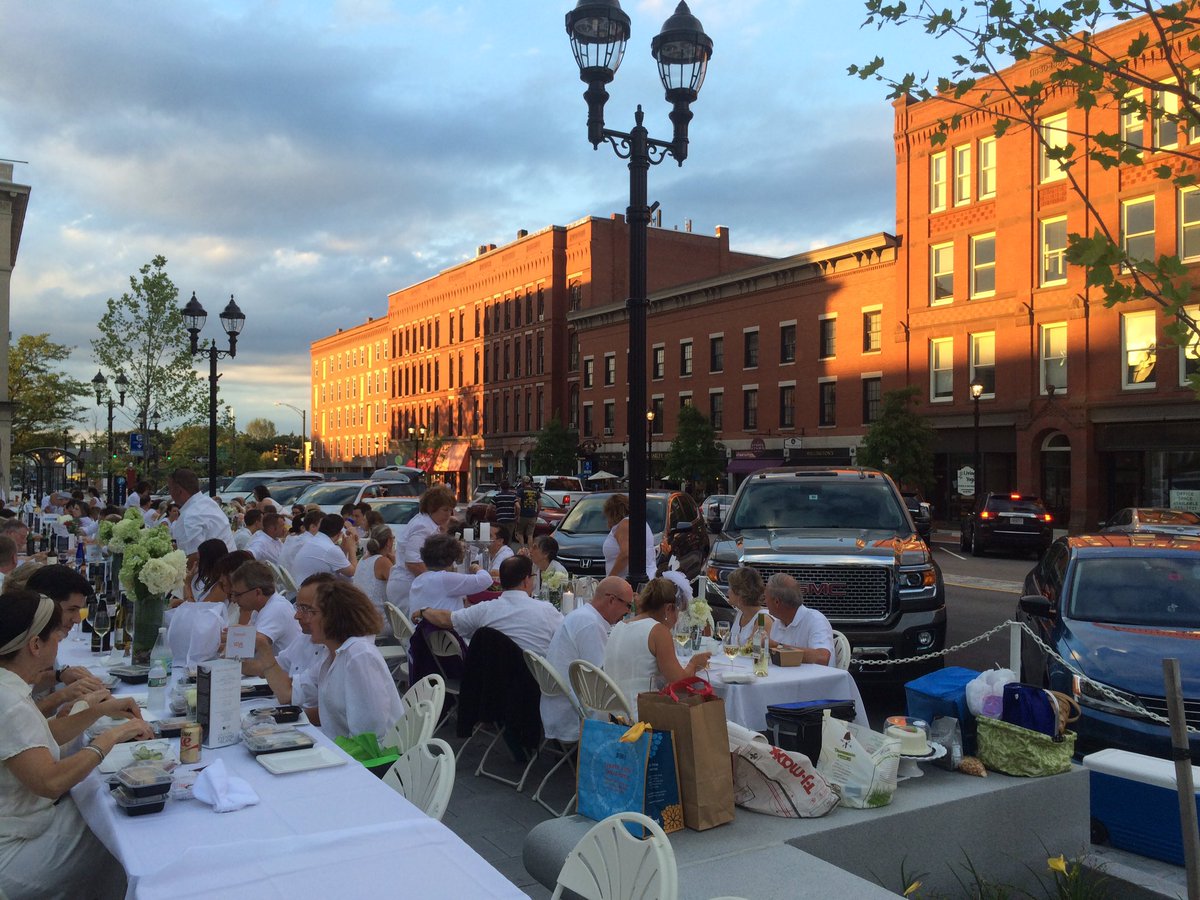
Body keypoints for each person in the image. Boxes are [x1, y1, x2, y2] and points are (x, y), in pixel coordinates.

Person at [0, 590, 153, 900]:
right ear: (35, 645)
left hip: (20, 828)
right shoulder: (9, 701)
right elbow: (50, 782)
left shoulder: (9, 686)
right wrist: (110, 738)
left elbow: (38, 737)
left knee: (101, 800)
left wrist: (98, 710)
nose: (60, 642)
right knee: (121, 823)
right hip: (12, 852)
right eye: (57, 637)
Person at [296, 580, 402, 740]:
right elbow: (299, 693)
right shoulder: (331, 653)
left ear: (333, 618)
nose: (305, 619)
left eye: (312, 613)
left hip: (369, 754)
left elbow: (369, 735)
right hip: (343, 747)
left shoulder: (359, 655)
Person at [541, 576, 633, 742]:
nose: (628, 611)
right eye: (628, 605)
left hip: (558, 708)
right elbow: (602, 679)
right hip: (574, 717)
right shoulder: (590, 624)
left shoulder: (583, 616)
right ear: (612, 600)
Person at [603, 577, 711, 717]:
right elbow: (679, 683)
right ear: (668, 608)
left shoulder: (620, 626)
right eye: (677, 611)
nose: (677, 618)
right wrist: (694, 664)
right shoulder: (658, 631)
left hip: (612, 712)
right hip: (640, 714)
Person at [416, 556, 562, 655]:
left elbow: (445, 619)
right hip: (533, 685)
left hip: (491, 684)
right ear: (526, 581)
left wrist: (424, 611)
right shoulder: (547, 611)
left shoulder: (484, 610)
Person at [25, 566, 109, 713]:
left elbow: (29, 682)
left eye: (79, 610)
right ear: (45, 605)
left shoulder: (44, 639)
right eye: (71, 610)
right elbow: (16, 718)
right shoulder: (17, 644)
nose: (77, 619)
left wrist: (60, 675)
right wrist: (62, 695)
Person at [243, 574, 334, 708]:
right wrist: (232, 664)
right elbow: (273, 672)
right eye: (298, 607)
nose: (296, 616)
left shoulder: (352, 653)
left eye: (305, 609)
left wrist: (262, 646)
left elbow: (327, 713)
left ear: (330, 611)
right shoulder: (306, 638)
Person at [386, 484, 456, 613]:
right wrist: (436, 584)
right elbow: (413, 563)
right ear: (432, 508)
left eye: (450, 510)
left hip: (409, 584)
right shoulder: (422, 527)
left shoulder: (427, 523)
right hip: (407, 586)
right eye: (445, 510)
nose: (449, 514)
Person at [228, 561, 302, 660]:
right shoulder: (260, 609)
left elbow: (251, 648)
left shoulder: (276, 609)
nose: (234, 599)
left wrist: (228, 638)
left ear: (258, 592)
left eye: (238, 594)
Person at [409, 532, 493, 614]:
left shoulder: (419, 579)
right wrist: (477, 568)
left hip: (419, 622)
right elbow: (486, 580)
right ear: (451, 558)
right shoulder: (444, 579)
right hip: (438, 623)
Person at [763, 573, 834, 665]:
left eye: (766, 598)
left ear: (777, 602)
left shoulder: (815, 620)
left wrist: (776, 646)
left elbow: (822, 658)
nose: (764, 601)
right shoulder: (778, 623)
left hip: (816, 675)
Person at [168, 468, 236, 561]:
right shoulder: (208, 502)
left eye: (170, 489)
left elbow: (193, 559)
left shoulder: (188, 517)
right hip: (229, 563)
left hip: (214, 568)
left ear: (179, 491)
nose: (170, 493)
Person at [602, 493, 657, 584]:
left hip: (628, 583)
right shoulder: (637, 523)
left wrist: (609, 579)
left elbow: (626, 554)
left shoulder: (625, 524)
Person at [351, 525, 397, 634]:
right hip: (378, 623)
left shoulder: (363, 558)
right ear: (389, 542)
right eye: (393, 538)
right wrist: (396, 562)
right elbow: (399, 588)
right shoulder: (382, 561)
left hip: (361, 620)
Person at [291, 514, 358, 585]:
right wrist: (352, 548)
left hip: (303, 586)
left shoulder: (315, 540)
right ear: (339, 534)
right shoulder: (330, 548)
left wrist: (344, 549)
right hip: (312, 589)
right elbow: (352, 572)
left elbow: (339, 565)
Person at [516, 477, 541, 548]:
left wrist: (517, 515)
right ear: (530, 482)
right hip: (532, 515)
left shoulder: (520, 491)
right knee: (530, 535)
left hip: (522, 515)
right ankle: (530, 550)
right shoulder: (536, 491)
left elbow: (518, 503)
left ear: (523, 483)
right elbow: (540, 504)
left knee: (519, 533)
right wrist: (536, 514)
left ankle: (523, 548)